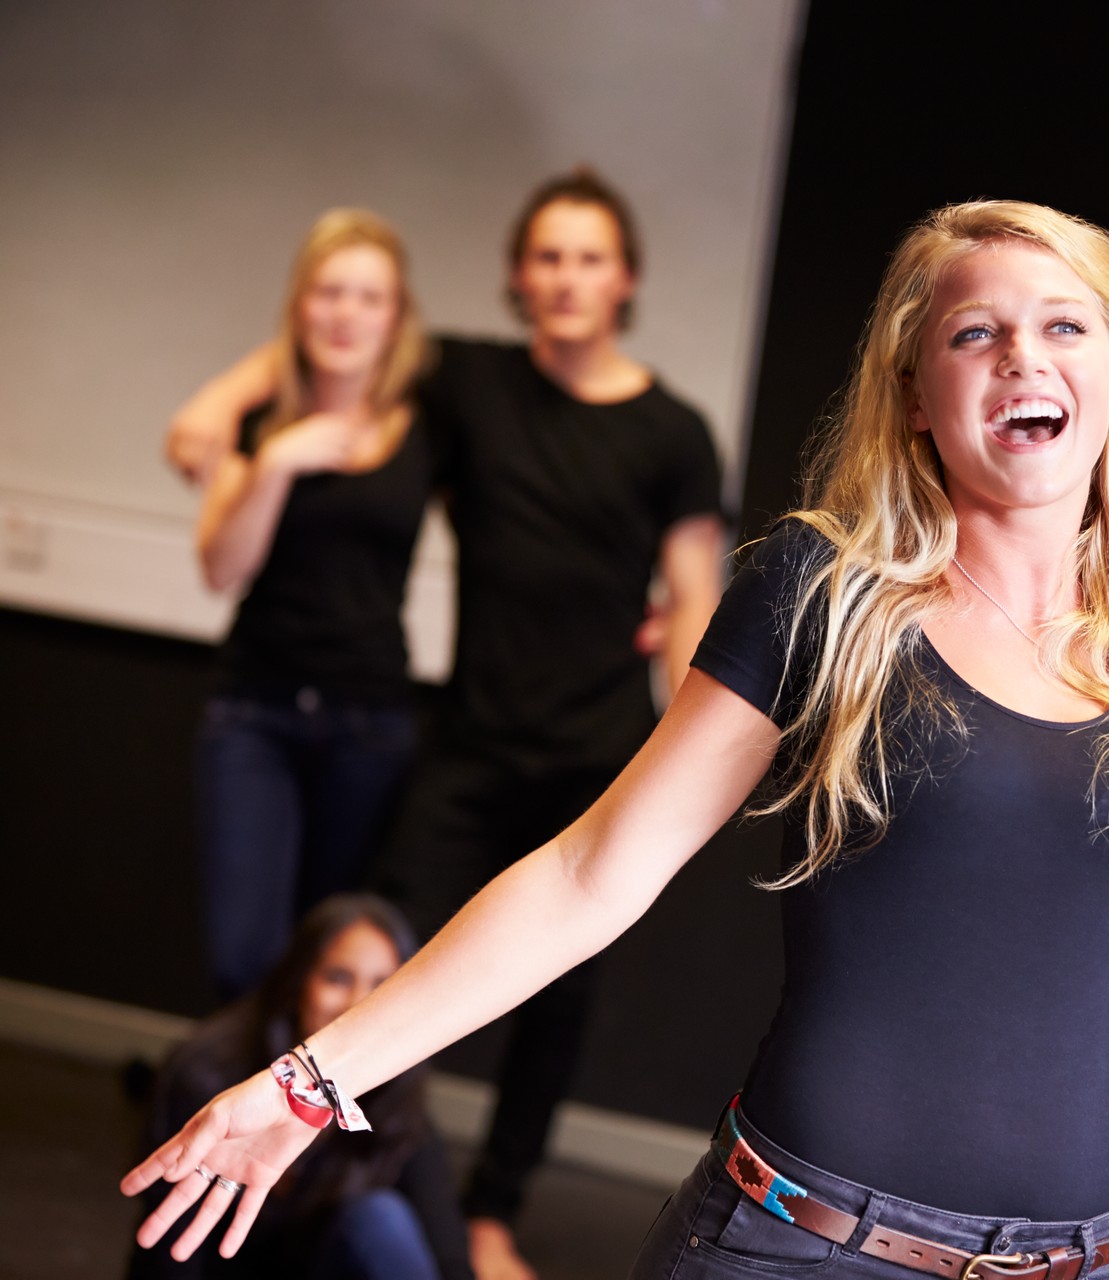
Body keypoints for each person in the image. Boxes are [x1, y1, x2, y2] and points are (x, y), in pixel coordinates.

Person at [126, 202, 1109, 1280]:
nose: (1021, 354)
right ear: (921, 395)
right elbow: (592, 878)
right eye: (975, 331)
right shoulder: (819, 595)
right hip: (803, 1253)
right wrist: (310, 1081)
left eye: (1061, 326)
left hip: (1096, 1267)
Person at [163, 168, 727, 1280]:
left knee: (556, 1005)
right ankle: (337, 1169)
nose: (567, 278)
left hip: (598, 759)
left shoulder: (674, 431)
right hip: (467, 745)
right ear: (520, 277)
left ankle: (489, 1212)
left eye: (590, 258)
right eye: (548, 257)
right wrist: (220, 428)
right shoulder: (469, 382)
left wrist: (684, 756)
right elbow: (311, 360)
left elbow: (696, 597)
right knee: (381, 967)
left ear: (626, 280)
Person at [191, 209, 434, 1000]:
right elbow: (221, 569)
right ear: (300, 305)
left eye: (369, 297)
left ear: (395, 318)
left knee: (330, 970)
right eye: (329, 291)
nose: (346, 313)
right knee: (243, 957)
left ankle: (308, 1124)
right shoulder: (260, 427)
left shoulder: (427, 429)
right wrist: (273, 466)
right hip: (254, 713)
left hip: (369, 724)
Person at [129, 894, 472, 1280]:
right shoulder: (208, 1075)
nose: (359, 1004)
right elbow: (169, 1251)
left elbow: (449, 1256)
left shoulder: (398, 1095)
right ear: (297, 984)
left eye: (382, 985)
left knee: (380, 1220)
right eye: (338, 977)